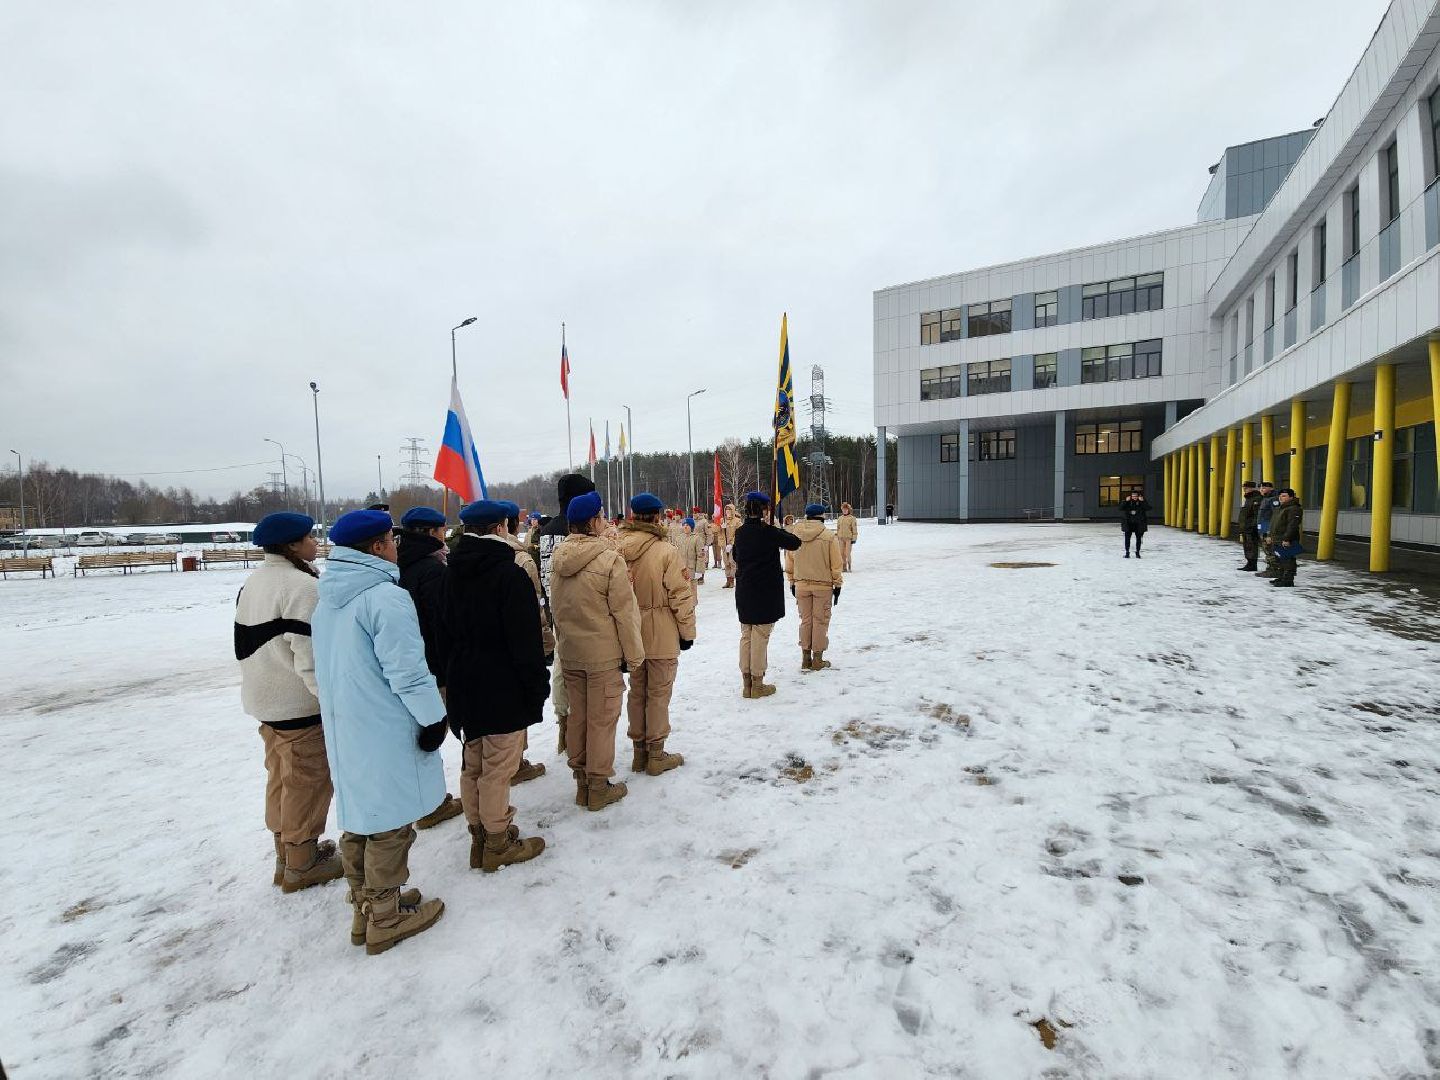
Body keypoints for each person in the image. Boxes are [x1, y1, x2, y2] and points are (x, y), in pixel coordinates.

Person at [312, 509, 446, 955]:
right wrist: (433, 717)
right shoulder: (385, 598)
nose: (396, 547)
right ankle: (385, 917)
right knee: (389, 822)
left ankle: (365, 905)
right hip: (384, 725)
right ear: (376, 547)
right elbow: (408, 672)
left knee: (362, 815)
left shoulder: (329, 598)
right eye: (392, 540)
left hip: (348, 725)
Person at [439, 500, 549, 872]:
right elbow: (525, 642)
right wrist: (536, 687)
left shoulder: (449, 573)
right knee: (498, 769)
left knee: (473, 764)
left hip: (464, 684)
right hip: (503, 686)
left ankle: (480, 836)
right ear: (500, 527)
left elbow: (443, 635)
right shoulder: (509, 575)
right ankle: (497, 841)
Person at [235, 511, 342, 893]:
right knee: (306, 782)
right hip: (297, 705)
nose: (315, 543)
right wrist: (330, 703)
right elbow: (311, 658)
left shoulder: (255, 581)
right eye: (310, 538)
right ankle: (302, 863)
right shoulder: (302, 587)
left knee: (281, 777)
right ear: (292, 545)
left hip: (266, 701)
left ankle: (286, 851)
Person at [549, 492, 645, 810]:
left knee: (578, 717)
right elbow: (625, 613)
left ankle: (582, 782)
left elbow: (557, 608)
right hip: (602, 655)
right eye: (601, 516)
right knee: (602, 720)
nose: (604, 521)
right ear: (592, 522)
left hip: (571, 652)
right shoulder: (608, 560)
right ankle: (598, 786)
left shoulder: (559, 558)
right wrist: (634, 657)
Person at [396, 506, 464, 830]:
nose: (444, 536)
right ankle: (430, 805)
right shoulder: (433, 569)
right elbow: (442, 622)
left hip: (409, 664)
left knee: (419, 734)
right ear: (430, 533)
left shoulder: (399, 563)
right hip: (433, 667)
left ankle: (422, 801)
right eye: (441, 530)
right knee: (431, 735)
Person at [616, 493, 695, 776]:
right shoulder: (666, 551)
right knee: (659, 693)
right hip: (661, 629)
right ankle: (656, 754)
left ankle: (639, 752)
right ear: (657, 516)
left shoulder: (618, 548)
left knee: (637, 691)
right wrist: (687, 632)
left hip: (631, 632)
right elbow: (680, 595)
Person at [528, 473, 597, 755]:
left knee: (561, 665)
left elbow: (547, 577)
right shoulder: (575, 531)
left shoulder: (546, 531)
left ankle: (564, 723)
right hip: (583, 611)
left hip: (557, 609)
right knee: (582, 672)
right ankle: (577, 727)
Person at [498, 499, 551, 784]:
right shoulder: (520, 559)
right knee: (517, 703)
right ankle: (515, 763)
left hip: (481, 650)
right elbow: (534, 606)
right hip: (517, 645)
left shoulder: (465, 557)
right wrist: (545, 642)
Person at [733, 492, 801, 698]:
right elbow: (795, 542)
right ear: (764, 510)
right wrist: (775, 528)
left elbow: (736, 555)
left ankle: (746, 684)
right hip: (764, 592)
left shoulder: (740, 532)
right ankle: (757, 683)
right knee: (760, 637)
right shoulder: (769, 532)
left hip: (745, 590)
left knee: (746, 635)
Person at [785, 503, 843, 671]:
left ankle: (805, 657)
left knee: (806, 621)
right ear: (822, 516)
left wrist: (792, 581)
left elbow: (789, 560)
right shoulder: (828, 536)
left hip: (801, 585)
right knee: (820, 621)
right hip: (822, 586)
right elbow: (836, 563)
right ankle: (817, 659)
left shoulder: (795, 535)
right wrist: (837, 584)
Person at [1269, 488, 1304, 588]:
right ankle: (1281, 577)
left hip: (1286, 539)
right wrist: (1270, 535)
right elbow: (1274, 524)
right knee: (1280, 559)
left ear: (1291, 497)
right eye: (1280, 496)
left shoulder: (1294, 509)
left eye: (1284, 496)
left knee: (1288, 560)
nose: (1281, 497)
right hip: (1277, 538)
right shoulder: (1280, 508)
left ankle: (1288, 580)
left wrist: (1287, 539)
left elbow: (1292, 525)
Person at [679, 517, 706, 605]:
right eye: (684, 525)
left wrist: (699, 571)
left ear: (691, 527)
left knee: (692, 593)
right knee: (682, 593)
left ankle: (692, 609)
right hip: (681, 570)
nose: (685, 527)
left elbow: (701, 556)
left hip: (692, 570)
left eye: (687, 525)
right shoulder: (679, 538)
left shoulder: (697, 539)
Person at [1256, 481, 1280, 578]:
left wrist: (1269, 532)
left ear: (1271, 488)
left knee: (1270, 550)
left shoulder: (1273, 499)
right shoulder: (1265, 499)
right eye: (1260, 488)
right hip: (1263, 529)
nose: (1261, 490)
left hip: (1268, 530)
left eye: (1264, 488)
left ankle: (1273, 570)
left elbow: (1275, 516)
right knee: (1267, 550)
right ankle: (1271, 569)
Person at [1236, 481, 1262, 572]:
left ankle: (1252, 564)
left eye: (1246, 488)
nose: (1244, 489)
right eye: (1244, 487)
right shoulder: (1248, 499)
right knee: (1247, 546)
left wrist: (1253, 526)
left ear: (1252, 488)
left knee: (1252, 546)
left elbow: (1256, 515)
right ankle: (1249, 563)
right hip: (1246, 527)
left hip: (1251, 527)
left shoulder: (1256, 499)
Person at [1119, 490, 1150, 559]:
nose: (1134, 497)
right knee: (1127, 539)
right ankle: (1127, 553)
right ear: (1131, 496)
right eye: (1133, 496)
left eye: (1136, 496)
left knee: (1138, 539)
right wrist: (1125, 501)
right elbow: (1120, 508)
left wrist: (1143, 501)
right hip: (1128, 523)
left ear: (1138, 496)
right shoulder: (1127, 502)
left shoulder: (1141, 502)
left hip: (1138, 524)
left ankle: (1137, 553)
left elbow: (1148, 508)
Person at [722, 503, 741, 589]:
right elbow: (718, 533)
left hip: (733, 545)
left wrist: (731, 543)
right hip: (724, 545)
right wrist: (720, 527)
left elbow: (738, 534)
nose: (728, 511)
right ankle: (728, 580)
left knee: (732, 562)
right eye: (726, 509)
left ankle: (732, 580)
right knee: (726, 563)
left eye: (729, 509)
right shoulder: (723, 520)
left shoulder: (737, 521)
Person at [835, 502, 858, 572]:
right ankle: (844, 567)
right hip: (841, 538)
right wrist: (837, 536)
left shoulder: (852, 518)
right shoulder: (840, 518)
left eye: (846, 509)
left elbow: (854, 529)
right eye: (843, 509)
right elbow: (838, 528)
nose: (844, 511)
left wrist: (854, 538)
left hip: (848, 538)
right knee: (841, 553)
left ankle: (849, 566)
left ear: (848, 510)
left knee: (847, 553)